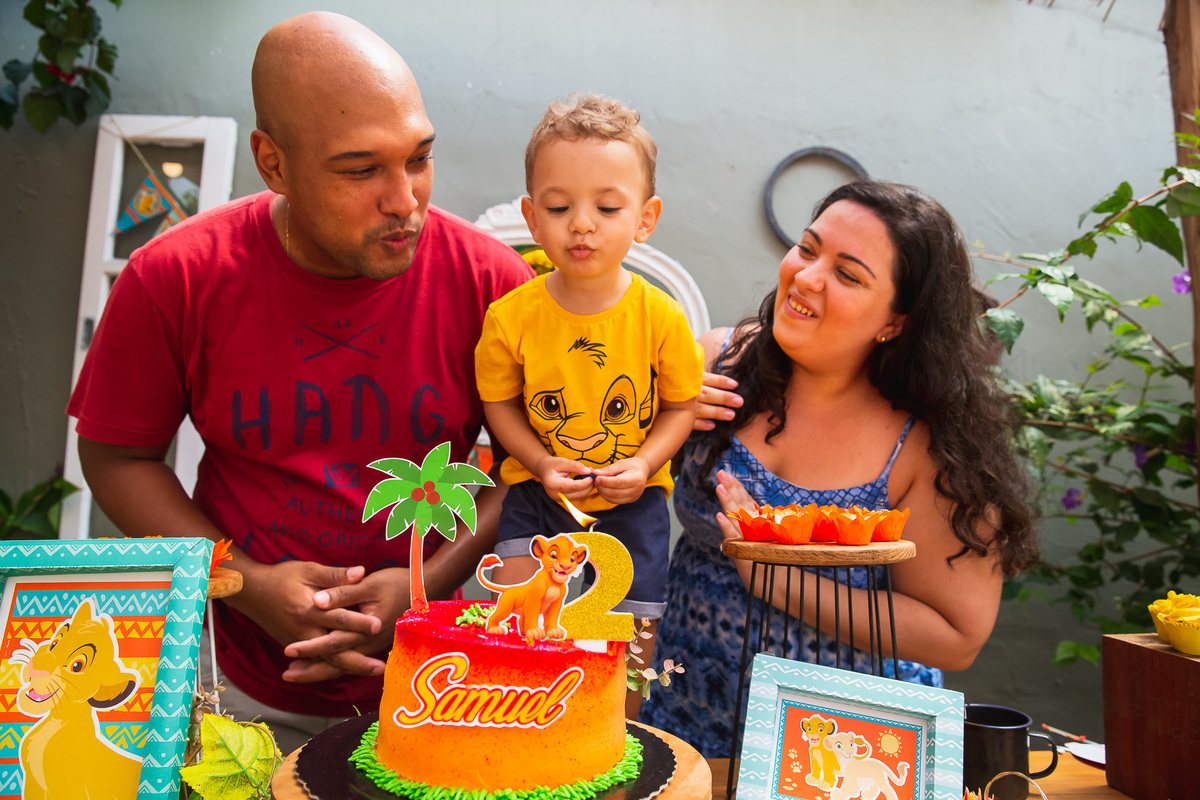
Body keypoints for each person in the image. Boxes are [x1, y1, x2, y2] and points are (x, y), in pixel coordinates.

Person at [65, 12, 532, 752]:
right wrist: (245, 583)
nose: (404, 200)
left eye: (418, 158)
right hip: (233, 680)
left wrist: (428, 585)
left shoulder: (492, 283)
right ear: (273, 163)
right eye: (360, 170)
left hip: (445, 685)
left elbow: (529, 471)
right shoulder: (175, 277)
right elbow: (118, 458)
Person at [639, 180, 1038, 756]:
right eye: (807, 248)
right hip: (683, 717)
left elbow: (957, 637)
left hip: (838, 749)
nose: (807, 277)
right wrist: (653, 419)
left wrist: (776, 576)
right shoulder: (719, 363)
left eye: (848, 274)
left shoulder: (928, 445)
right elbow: (606, 490)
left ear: (897, 320)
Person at [474, 95, 702, 687]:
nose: (581, 223)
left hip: (634, 502)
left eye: (606, 206)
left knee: (629, 650)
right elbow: (498, 404)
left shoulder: (661, 317)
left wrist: (645, 464)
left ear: (645, 219)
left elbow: (682, 406)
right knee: (523, 632)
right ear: (531, 217)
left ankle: (622, 735)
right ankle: (523, 718)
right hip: (536, 497)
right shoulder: (509, 318)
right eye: (559, 206)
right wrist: (539, 461)